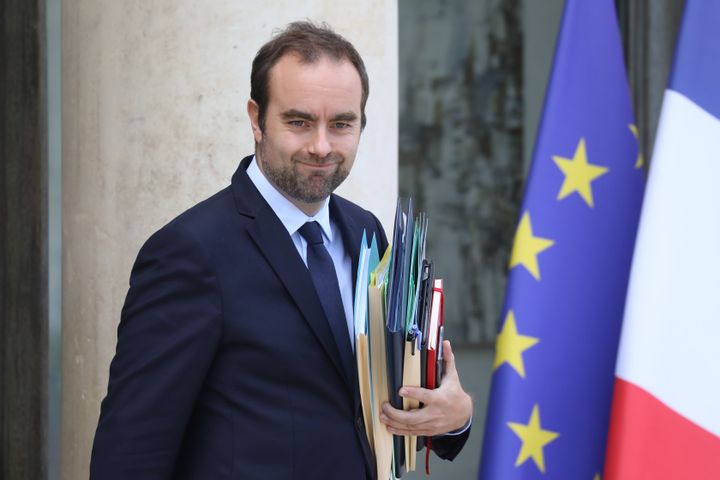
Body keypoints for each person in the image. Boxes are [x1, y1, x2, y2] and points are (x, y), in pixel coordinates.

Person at [90, 21, 472, 479]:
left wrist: (455, 418)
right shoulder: (188, 252)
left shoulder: (366, 232)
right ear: (256, 118)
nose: (321, 146)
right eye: (298, 121)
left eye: (342, 124)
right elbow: (132, 449)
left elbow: (393, 404)